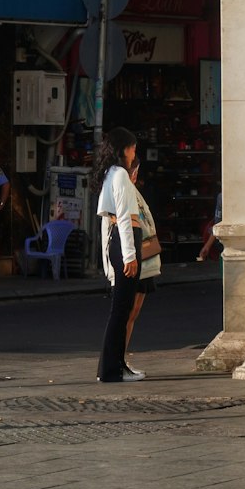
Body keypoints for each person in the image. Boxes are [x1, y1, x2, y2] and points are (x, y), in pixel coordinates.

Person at [94, 125, 144, 384]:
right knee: (120, 310)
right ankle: (112, 370)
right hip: (125, 240)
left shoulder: (111, 174)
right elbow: (124, 217)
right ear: (124, 149)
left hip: (117, 240)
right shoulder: (120, 176)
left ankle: (109, 367)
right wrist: (129, 255)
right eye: (133, 147)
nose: (135, 151)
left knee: (119, 309)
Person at [125, 159, 160, 378]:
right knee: (128, 312)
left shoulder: (135, 192)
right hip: (136, 256)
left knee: (134, 312)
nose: (135, 176)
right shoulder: (124, 191)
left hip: (145, 257)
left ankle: (121, 357)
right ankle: (119, 358)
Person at [197, 189, 223, 262]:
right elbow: (217, 224)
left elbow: (217, 224)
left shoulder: (221, 197)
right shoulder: (222, 197)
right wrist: (207, 246)